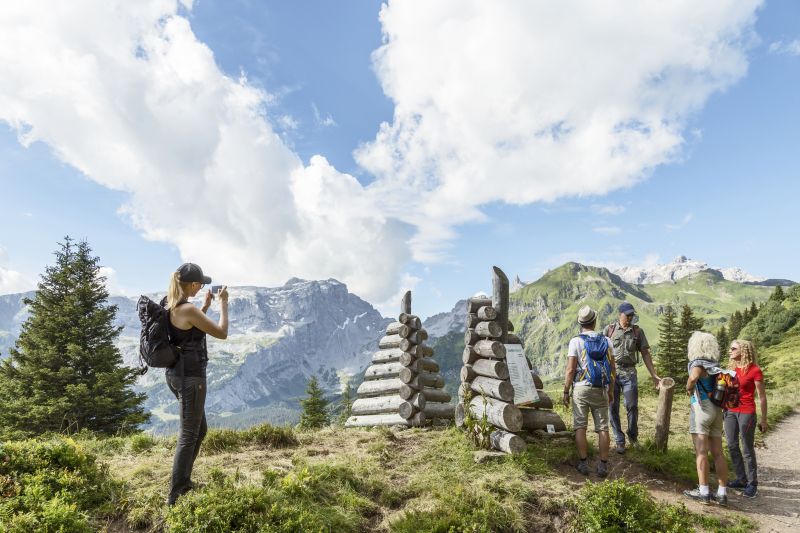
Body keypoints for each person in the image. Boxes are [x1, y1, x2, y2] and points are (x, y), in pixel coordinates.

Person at [164, 263, 228, 505]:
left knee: (199, 431)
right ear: (191, 285)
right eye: (200, 283)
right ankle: (176, 495)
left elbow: (187, 330)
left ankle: (184, 482)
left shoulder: (171, 303)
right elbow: (221, 332)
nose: (202, 286)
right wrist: (223, 304)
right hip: (191, 378)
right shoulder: (187, 309)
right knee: (189, 435)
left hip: (175, 375)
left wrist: (206, 307)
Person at [563, 305, 617, 478]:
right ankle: (602, 465)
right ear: (595, 321)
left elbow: (570, 370)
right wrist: (610, 391)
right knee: (603, 428)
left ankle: (584, 463)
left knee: (580, 426)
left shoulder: (575, 342)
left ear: (580, 323)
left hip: (581, 389)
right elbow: (613, 370)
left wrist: (566, 391)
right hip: (600, 388)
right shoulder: (607, 341)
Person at [603, 301, 660, 454]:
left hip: (630, 373)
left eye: (632, 315)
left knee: (632, 405)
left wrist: (654, 375)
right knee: (612, 407)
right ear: (619, 314)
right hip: (612, 374)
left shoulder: (637, 332)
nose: (630, 317)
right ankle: (619, 440)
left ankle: (633, 436)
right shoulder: (609, 330)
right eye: (627, 315)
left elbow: (646, 354)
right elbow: (601, 352)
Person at [683, 331, 730, 506]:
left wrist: (688, 387)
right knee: (718, 453)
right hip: (717, 409)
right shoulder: (714, 364)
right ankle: (722, 493)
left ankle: (703, 492)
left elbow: (694, 376)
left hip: (702, 408)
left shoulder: (697, 362)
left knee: (701, 452)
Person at [724, 339, 767, 498]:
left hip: (747, 412)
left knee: (747, 448)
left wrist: (764, 419)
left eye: (733, 348)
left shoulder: (755, 370)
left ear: (743, 350)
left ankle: (752, 484)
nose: (730, 350)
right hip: (730, 411)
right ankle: (741, 479)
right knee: (731, 445)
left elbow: (762, 397)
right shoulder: (731, 369)